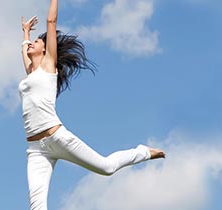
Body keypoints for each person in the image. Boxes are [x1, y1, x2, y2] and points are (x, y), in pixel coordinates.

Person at [19, 1, 165, 209]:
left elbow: (51, 21)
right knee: (36, 206)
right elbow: (24, 53)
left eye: (36, 41)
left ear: (46, 51)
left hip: (58, 137)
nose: (31, 43)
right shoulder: (31, 74)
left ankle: (142, 152)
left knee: (106, 168)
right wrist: (25, 33)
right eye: (31, 42)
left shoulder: (48, 66)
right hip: (36, 150)